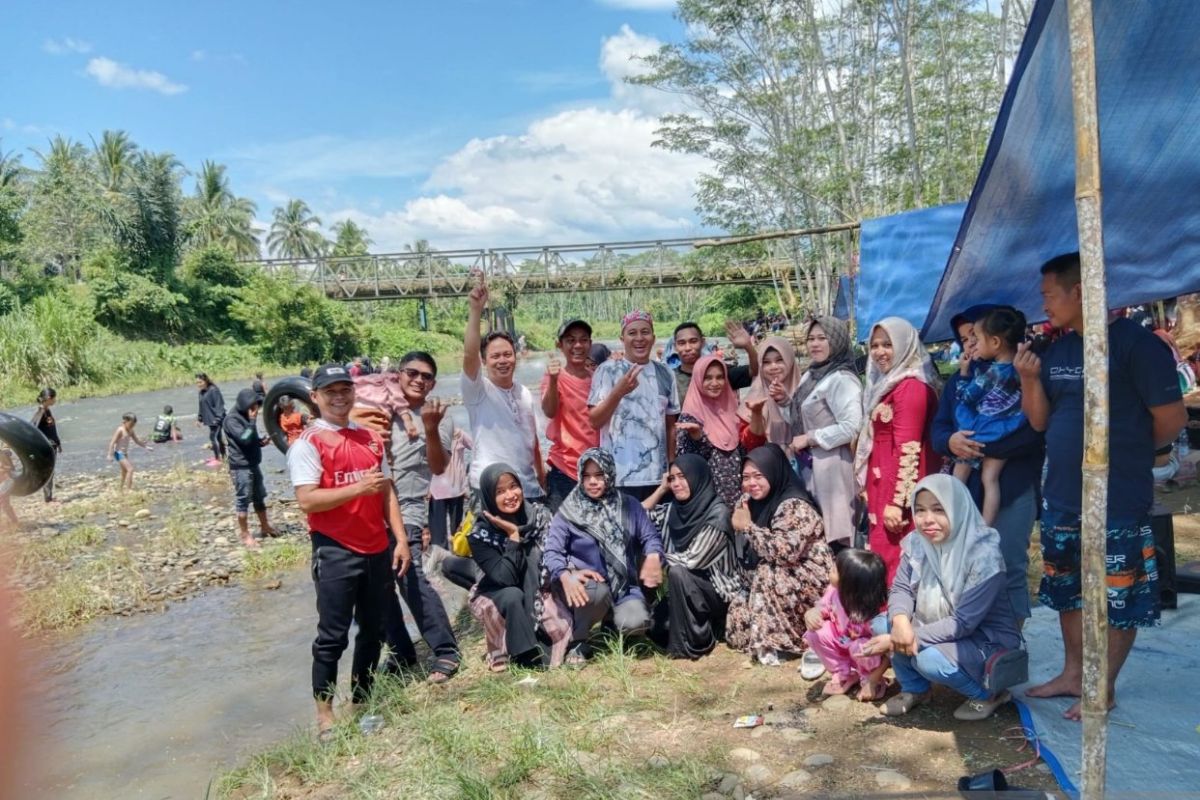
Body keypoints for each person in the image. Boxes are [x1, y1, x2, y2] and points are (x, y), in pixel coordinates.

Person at [1015, 252, 1185, 721]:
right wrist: (1028, 378)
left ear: (1079, 291)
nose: (1043, 303)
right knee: (1067, 586)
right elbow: (1039, 420)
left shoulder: (1136, 345)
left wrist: (1123, 451)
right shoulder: (1059, 350)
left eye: (1050, 294)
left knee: (1119, 592)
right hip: (1063, 495)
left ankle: (1102, 685)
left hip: (1120, 496)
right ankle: (1074, 673)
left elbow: (1170, 421)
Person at [286, 363, 412, 739]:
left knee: (373, 630)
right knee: (332, 636)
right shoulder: (307, 443)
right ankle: (324, 715)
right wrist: (357, 489)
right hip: (335, 549)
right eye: (331, 392)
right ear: (315, 397)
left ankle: (360, 703)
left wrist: (401, 538)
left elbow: (386, 488)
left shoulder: (371, 438)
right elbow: (307, 500)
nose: (339, 398)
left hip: (377, 546)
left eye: (345, 390)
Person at [866, 475, 1021, 721]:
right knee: (883, 624)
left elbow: (963, 623)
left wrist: (899, 640)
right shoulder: (918, 542)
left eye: (939, 510)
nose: (928, 519)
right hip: (940, 629)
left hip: (983, 638)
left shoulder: (983, 555)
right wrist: (900, 624)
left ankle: (989, 694)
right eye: (920, 510)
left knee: (929, 660)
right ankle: (916, 689)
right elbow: (901, 589)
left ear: (957, 508)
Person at [933, 305, 1044, 625]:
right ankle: (975, 638)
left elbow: (1033, 430)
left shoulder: (1021, 373)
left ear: (994, 340)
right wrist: (950, 441)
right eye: (964, 339)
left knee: (1007, 564)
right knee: (967, 568)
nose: (969, 344)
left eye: (974, 337)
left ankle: (1010, 645)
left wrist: (981, 447)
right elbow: (939, 428)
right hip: (968, 495)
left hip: (1014, 488)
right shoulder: (959, 381)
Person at [379, 351, 462, 684]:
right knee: (376, 583)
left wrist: (429, 428)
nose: (418, 380)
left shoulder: (439, 415)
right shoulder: (380, 408)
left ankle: (446, 649)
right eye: (411, 373)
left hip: (410, 503)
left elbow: (439, 466)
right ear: (399, 374)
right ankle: (401, 650)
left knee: (409, 573)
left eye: (426, 376)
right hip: (370, 505)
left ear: (433, 383)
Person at [543, 448, 665, 665]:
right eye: (587, 476)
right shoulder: (568, 511)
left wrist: (654, 556)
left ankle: (612, 624)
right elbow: (552, 551)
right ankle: (579, 640)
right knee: (595, 592)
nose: (592, 482)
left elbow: (650, 537)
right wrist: (564, 574)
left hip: (624, 587)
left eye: (599, 475)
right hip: (588, 587)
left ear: (610, 475)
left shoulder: (629, 506)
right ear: (580, 477)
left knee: (638, 623)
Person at [726, 444, 834, 666]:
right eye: (745, 477)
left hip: (805, 576)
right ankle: (773, 636)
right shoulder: (748, 502)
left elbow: (785, 553)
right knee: (737, 625)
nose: (751, 483)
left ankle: (789, 642)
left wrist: (748, 528)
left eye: (758, 476)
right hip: (772, 573)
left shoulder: (794, 505)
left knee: (767, 572)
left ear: (774, 472)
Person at [854, 317, 940, 584]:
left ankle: (898, 621)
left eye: (888, 344)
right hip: (882, 487)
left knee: (897, 562)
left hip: (898, 493)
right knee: (882, 557)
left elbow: (909, 450)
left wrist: (898, 503)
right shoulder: (889, 384)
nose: (880, 352)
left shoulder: (911, 388)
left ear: (904, 345)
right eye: (875, 345)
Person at [468, 463, 571, 669]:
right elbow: (505, 578)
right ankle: (524, 655)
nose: (510, 495)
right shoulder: (480, 534)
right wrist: (514, 537)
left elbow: (553, 557)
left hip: (539, 585)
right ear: (489, 496)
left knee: (559, 624)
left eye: (513, 486)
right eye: (500, 491)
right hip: (497, 590)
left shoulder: (540, 516)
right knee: (513, 595)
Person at [643, 454, 746, 659]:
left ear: (697, 476)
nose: (677, 484)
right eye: (672, 479)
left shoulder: (718, 513)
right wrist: (661, 489)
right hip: (687, 589)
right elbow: (637, 516)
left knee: (678, 572)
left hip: (718, 592)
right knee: (653, 627)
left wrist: (654, 559)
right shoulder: (674, 509)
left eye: (682, 477)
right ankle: (693, 629)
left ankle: (696, 642)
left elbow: (693, 560)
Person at [463, 274, 545, 502]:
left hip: (527, 488)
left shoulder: (524, 393)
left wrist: (541, 475)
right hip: (490, 489)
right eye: (495, 356)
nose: (503, 360)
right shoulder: (477, 390)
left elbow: (532, 439)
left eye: (508, 354)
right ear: (484, 361)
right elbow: (469, 354)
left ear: (516, 356)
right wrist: (475, 311)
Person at [588, 310, 681, 500]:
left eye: (645, 332)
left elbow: (671, 425)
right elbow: (594, 421)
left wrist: (671, 465)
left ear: (653, 338)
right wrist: (618, 392)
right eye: (632, 333)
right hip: (616, 478)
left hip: (657, 479)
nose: (639, 338)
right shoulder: (607, 370)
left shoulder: (665, 373)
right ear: (622, 338)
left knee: (655, 530)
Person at [789, 317, 863, 550]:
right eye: (811, 339)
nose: (815, 344)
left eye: (823, 338)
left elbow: (852, 426)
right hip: (812, 465)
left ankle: (846, 584)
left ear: (837, 341)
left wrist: (810, 437)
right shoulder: (812, 375)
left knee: (838, 532)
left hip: (834, 466)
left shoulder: (842, 379)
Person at [951, 307, 1027, 525]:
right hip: (1004, 431)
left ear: (994, 343)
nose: (974, 344)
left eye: (978, 338)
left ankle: (954, 518)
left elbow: (967, 396)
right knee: (990, 479)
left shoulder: (992, 372)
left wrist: (964, 373)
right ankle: (986, 528)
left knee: (959, 476)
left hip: (980, 430)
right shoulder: (1019, 369)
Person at [802, 548, 890, 700]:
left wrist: (874, 678)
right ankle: (844, 674)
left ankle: (870, 678)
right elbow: (823, 607)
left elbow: (889, 653)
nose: (830, 570)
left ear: (850, 583)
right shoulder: (833, 591)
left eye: (835, 570)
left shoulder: (875, 614)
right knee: (815, 633)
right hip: (842, 640)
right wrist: (812, 613)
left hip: (864, 652)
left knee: (861, 645)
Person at [541, 319, 599, 512]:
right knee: (559, 534)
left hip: (595, 471)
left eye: (583, 340)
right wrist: (553, 380)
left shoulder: (597, 377)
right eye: (571, 340)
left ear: (590, 344)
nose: (578, 345)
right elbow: (549, 411)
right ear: (560, 345)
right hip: (565, 468)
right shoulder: (554, 376)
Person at [675, 355, 744, 506]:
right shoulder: (690, 416)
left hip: (736, 498)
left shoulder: (731, 409)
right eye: (707, 378)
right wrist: (698, 438)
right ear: (698, 379)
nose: (715, 383)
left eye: (720, 377)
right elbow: (686, 464)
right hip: (707, 504)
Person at [223, 388, 277, 550]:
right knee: (243, 500)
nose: (254, 410)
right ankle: (245, 534)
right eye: (252, 406)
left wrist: (261, 442)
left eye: (256, 407)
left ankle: (265, 526)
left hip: (253, 463)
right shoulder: (231, 420)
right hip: (241, 467)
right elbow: (244, 439)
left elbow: (251, 438)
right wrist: (252, 421)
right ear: (244, 405)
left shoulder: (246, 417)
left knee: (259, 496)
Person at [738, 337, 802, 450]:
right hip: (771, 461)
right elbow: (749, 444)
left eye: (779, 360)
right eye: (766, 362)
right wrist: (756, 414)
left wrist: (786, 402)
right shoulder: (755, 396)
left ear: (790, 360)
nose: (773, 367)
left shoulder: (807, 390)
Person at [670, 320, 760, 399]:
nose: (688, 348)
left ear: (702, 342)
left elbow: (755, 371)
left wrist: (748, 346)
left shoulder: (721, 372)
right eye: (681, 343)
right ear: (675, 347)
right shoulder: (670, 378)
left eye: (693, 341)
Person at [428, 428, 471, 550]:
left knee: (456, 528)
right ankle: (440, 556)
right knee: (437, 530)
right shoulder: (432, 434)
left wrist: (469, 479)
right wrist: (427, 487)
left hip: (456, 488)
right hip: (437, 490)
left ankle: (458, 552)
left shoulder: (459, 434)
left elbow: (477, 447)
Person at [30, 388, 62, 503]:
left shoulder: (47, 411)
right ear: (49, 399)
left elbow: (51, 428)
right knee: (48, 470)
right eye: (54, 398)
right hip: (46, 447)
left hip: (52, 445)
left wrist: (58, 442)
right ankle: (48, 498)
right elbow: (33, 427)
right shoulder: (41, 411)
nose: (55, 400)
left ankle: (49, 496)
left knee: (50, 470)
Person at [107, 412, 152, 490]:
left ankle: (120, 488)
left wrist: (146, 447)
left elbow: (137, 441)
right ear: (125, 422)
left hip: (125, 453)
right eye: (131, 424)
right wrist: (109, 455)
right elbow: (112, 443)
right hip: (118, 453)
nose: (132, 426)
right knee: (130, 469)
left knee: (124, 472)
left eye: (134, 425)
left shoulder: (131, 431)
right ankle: (128, 490)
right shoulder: (120, 430)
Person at [195, 373, 227, 467]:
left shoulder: (214, 390)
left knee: (213, 437)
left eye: (200, 382)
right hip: (209, 418)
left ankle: (218, 459)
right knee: (218, 438)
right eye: (197, 383)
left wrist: (218, 419)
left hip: (216, 419)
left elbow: (219, 405)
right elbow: (201, 406)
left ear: (206, 381)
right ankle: (222, 456)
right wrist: (199, 418)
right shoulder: (201, 392)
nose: (199, 384)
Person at [0, 450, 18, 532]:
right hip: (4, 481)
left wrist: (2, 469)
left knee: (4, 503)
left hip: (7, 481)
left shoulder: (2, 455)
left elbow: (10, 468)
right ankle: (13, 521)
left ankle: (14, 521)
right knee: (4, 504)